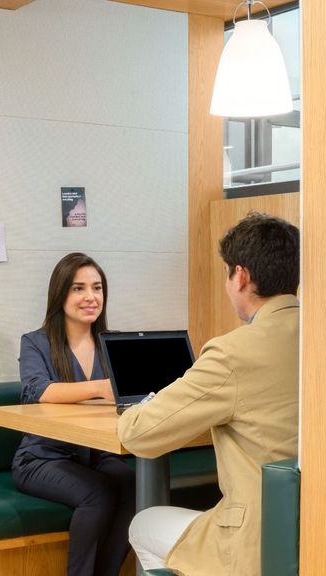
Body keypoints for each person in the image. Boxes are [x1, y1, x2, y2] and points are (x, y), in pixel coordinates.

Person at [118, 212, 299, 576]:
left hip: (257, 539)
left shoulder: (232, 352)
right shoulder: (316, 333)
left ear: (240, 276)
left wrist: (146, 404)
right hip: (311, 526)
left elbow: (139, 435)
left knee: (144, 524)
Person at [12, 252, 135, 576]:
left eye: (97, 288)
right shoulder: (35, 342)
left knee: (134, 486)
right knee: (98, 493)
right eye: (79, 288)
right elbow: (37, 390)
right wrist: (101, 388)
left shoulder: (112, 343)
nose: (91, 297)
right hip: (41, 459)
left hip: (97, 455)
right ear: (60, 294)